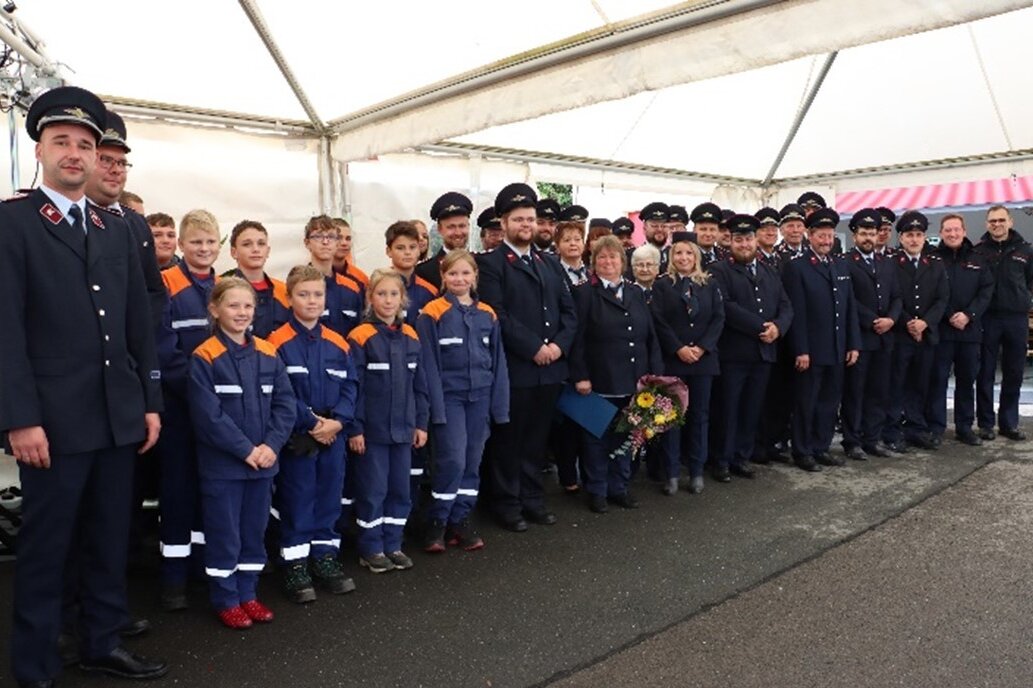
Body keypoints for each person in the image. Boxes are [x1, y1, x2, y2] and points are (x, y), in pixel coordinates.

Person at [2, 85, 168, 685]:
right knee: (47, 551)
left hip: (118, 414)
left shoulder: (118, 226)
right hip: (52, 422)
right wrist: (18, 418)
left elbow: (136, 326)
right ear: (41, 150)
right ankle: (36, 665)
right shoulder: (12, 223)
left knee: (108, 539)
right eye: (62, 142)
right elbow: (5, 332)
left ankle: (102, 640)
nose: (75, 153)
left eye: (86, 144)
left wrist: (148, 402)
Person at [189, 278, 295, 629]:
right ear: (214, 309)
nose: (241, 312)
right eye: (233, 305)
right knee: (225, 533)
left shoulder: (268, 352)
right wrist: (246, 449)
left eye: (247, 306)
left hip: (264, 464)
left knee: (254, 531)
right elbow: (208, 416)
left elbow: (285, 404)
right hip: (224, 468)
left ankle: (248, 593)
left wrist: (271, 446)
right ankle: (225, 598)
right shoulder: (204, 356)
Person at [477, 183, 577, 531]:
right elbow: (497, 315)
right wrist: (534, 347)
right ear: (503, 223)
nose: (525, 224)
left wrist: (558, 347)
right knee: (509, 441)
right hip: (516, 368)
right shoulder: (489, 264)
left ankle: (533, 499)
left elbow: (569, 312)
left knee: (536, 441)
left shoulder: (549, 263)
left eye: (530, 219)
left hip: (549, 370)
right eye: (518, 219)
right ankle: (506, 504)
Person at [267, 265, 358, 602]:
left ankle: (325, 558)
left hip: (333, 436)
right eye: (303, 294)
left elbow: (351, 386)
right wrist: (312, 424)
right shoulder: (277, 342)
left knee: (328, 497)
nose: (311, 300)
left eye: (317, 294)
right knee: (297, 499)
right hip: (298, 438)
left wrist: (339, 422)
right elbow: (282, 391)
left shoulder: (338, 343)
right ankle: (295, 564)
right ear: (289, 298)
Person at [417, 250, 510, 551]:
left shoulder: (488, 314)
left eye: (465, 273)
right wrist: (436, 409)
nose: (459, 279)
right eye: (453, 274)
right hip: (449, 399)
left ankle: (462, 518)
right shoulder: (431, 313)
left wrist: (499, 407)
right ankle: (438, 521)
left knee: (472, 461)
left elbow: (498, 363)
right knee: (451, 460)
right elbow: (427, 365)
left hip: (480, 398)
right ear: (443, 277)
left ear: (475, 276)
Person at [155, 208, 222, 611]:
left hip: (215, 410)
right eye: (195, 242)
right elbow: (162, 348)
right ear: (180, 245)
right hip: (178, 407)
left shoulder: (223, 285)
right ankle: (173, 579)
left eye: (210, 242)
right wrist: (200, 391)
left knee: (209, 489)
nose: (203, 248)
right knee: (177, 491)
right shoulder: (164, 284)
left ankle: (201, 568)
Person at [346, 269, 433, 572]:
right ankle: (371, 547)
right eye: (381, 294)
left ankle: (393, 543)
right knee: (373, 491)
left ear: (402, 298)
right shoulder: (360, 337)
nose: (388, 300)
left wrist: (421, 423)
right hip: (372, 433)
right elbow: (353, 388)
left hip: (404, 431)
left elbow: (420, 386)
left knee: (400, 489)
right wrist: (355, 428)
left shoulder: (411, 335)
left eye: (394, 294)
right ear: (370, 297)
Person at [570, 236, 663, 513]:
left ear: (623, 262)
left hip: (633, 380)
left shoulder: (635, 292)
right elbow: (577, 339)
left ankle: (619, 487)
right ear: (593, 262)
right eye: (602, 258)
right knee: (596, 439)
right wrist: (580, 375)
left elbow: (650, 337)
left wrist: (654, 377)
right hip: (599, 379)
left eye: (613, 258)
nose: (608, 262)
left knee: (627, 437)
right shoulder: (584, 293)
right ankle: (597, 490)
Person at [708, 214, 793, 482]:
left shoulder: (769, 270)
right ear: (730, 241)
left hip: (764, 354)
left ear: (755, 240)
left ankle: (741, 457)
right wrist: (761, 327)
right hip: (734, 354)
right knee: (728, 409)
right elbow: (727, 307)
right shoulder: (719, 270)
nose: (744, 244)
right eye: (739, 239)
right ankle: (722, 459)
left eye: (748, 239)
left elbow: (785, 305)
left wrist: (778, 327)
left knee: (751, 408)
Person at [781, 208, 861, 471]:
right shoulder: (797, 267)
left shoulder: (840, 265)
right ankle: (803, 451)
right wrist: (800, 350)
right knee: (806, 402)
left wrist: (853, 344)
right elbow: (798, 313)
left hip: (838, 348)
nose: (826, 241)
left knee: (829, 402)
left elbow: (849, 308)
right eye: (821, 236)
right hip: (811, 351)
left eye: (829, 236)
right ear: (810, 236)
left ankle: (821, 446)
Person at [650, 232, 724, 494]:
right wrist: (679, 348)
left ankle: (696, 471)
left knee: (700, 417)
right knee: (672, 418)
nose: (683, 258)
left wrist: (702, 347)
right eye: (678, 253)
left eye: (689, 253)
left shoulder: (710, 284)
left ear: (697, 256)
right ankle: (671, 473)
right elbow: (658, 321)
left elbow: (718, 318)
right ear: (671, 256)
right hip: (674, 362)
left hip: (703, 362)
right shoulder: (662, 286)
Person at [85, 111, 165, 333]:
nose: (116, 170)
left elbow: (153, 292)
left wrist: (133, 338)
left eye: (122, 162)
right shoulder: (68, 218)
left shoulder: (137, 224)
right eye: (106, 160)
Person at [883, 211, 949, 452]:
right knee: (896, 383)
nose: (914, 239)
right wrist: (909, 322)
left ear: (924, 238)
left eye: (918, 235)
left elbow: (942, 299)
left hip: (926, 335)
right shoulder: (891, 264)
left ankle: (916, 428)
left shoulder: (935, 264)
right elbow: (891, 298)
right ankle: (891, 431)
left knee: (920, 384)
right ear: (900, 238)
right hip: (901, 335)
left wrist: (925, 323)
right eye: (909, 235)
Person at [841, 208, 902, 460]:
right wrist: (872, 320)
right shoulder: (844, 262)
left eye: (872, 233)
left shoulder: (887, 262)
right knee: (855, 392)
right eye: (863, 233)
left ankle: (872, 438)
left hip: (885, 337)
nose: (868, 237)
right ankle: (852, 440)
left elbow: (897, 296)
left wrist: (891, 319)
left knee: (879, 391)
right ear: (854, 235)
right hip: (860, 337)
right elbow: (848, 299)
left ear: (879, 235)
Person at [930, 214, 993, 446]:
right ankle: (935, 427)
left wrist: (969, 314)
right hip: (942, 331)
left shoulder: (979, 258)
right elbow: (931, 292)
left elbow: (986, 290)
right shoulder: (933, 259)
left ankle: (964, 427)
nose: (952, 234)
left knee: (966, 382)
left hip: (970, 331)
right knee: (937, 381)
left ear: (964, 231)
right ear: (941, 233)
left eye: (956, 229)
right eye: (948, 230)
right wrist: (948, 315)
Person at [974, 205, 1033, 441]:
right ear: (987, 224)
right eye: (992, 221)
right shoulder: (978, 251)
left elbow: (1030, 280)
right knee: (985, 371)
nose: (996, 224)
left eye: (1000, 220)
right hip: (987, 317)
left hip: (1016, 318)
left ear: (1010, 222)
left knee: (1014, 372)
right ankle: (986, 424)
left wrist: (1025, 298)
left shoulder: (1025, 250)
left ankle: (1009, 423)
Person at [223, 220, 290, 338]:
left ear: (268, 251)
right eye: (247, 244)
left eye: (261, 243)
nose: (255, 249)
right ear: (234, 252)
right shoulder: (221, 289)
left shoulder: (283, 290)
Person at [304, 215, 365, 337]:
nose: (325, 242)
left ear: (337, 243)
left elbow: (360, 332)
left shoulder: (352, 288)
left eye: (331, 237)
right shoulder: (299, 287)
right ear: (307, 243)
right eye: (318, 236)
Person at [416, 192, 473, 290]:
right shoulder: (424, 271)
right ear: (439, 229)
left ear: (468, 226)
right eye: (451, 227)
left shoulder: (484, 265)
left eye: (462, 226)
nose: (458, 233)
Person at [331, 218, 369, 288]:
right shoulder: (316, 275)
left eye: (348, 239)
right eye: (338, 238)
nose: (344, 243)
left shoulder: (361, 278)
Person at [690, 202, 724, 267]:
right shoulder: (686, 257)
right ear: (694, 230)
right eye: (703, 229)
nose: (708, 234)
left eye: (712, 229)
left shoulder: (726, 257)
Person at [556, 220, 589, 286]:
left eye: (577, 239)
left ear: (584, 244)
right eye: (567, 240)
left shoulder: (592, 273)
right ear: (557, 247)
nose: (573, 244)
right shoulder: (553, 273)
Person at [640, 201, 671, 271]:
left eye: (663, 226)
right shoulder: (634, 255)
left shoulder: (675, 255)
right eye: (654, 226)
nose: (659, 229)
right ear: (645, 227)